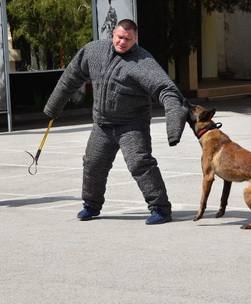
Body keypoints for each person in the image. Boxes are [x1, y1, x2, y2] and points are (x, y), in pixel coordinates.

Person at [44, 19, 187, 225]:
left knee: (140, 164)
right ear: (113, 34)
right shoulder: (94, 51)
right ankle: (91, 206)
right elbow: (70, 77)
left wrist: (174, 126)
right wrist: (53, 107)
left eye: (128, 39)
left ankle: (161, 209)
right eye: (119, 37)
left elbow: (167, 90)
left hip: (132, 125)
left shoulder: (143, 62)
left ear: (135, 39)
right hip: (102, 125)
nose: (122, 42)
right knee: (92, 164)